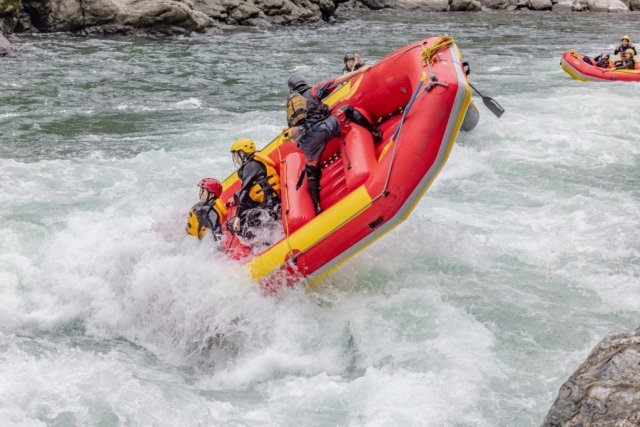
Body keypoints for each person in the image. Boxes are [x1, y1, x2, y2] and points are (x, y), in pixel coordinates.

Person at [285, 67, 382, 215]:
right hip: (324, 128)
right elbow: (338, 80)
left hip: (307, 140)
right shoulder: (313, 91)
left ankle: (316, 205)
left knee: (312, 167)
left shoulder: (290, 106)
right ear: (304, 82)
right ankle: (374, 132)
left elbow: (293, 128)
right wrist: (361, 70)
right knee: (348, 110)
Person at [228, 138, 281, 240]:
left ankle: (261, 243)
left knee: (231, 224)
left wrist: (238, 218)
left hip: (270, 209)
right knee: (237, 195)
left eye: (236, 155)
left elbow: (245, 191)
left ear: (242, 153)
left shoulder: (250, 166)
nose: (236, 159)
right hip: (272, 203)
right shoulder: (254, 163)